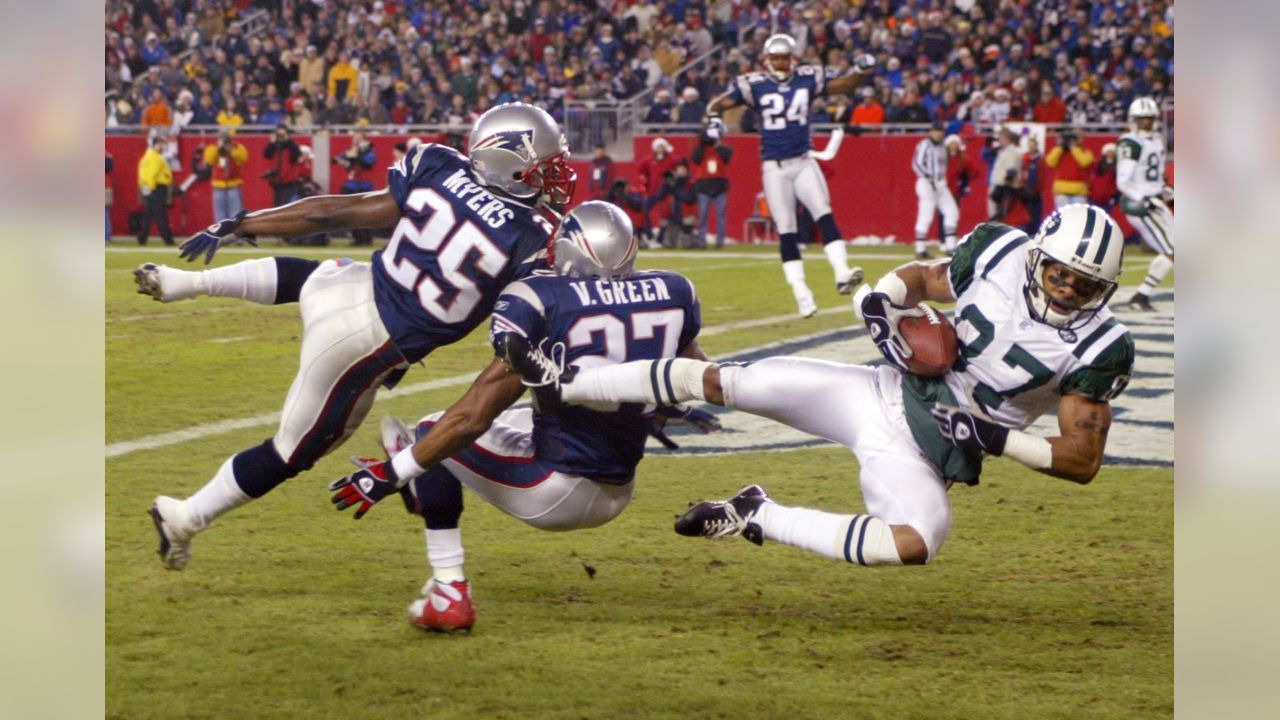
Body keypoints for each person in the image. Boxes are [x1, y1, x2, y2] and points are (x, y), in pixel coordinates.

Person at [521, 204, 1134, 570]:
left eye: (1085, 285)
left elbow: (1082, 459)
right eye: (1060, 273)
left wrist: (996, 440)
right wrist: (881, 303)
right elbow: (921, 277)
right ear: (1038, 255)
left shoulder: (1100, 346)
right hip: (876, 392)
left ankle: (756, 514)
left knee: (916, 542)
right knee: (725, 381)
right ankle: (567, 383)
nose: (1068, 291)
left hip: (926, 452)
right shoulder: (999, 250)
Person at [135, 104, 577, 572]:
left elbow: (336, 211)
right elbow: (520, 324)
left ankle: (188, 283)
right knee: (291, 452)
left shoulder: (438, 164)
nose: (555, 175)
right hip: (363, 345)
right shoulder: (535, 238)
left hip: (344, 285)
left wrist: (242, 223)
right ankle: (182, 517)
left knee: (311, 277)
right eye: (545, 167)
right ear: (510, 165)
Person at [326, 202, 716, 631]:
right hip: (619, 489)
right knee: (503, 422)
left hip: (554, 490)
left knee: (432, 432)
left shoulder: (541, 298)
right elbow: (690, 376)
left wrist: (390, 473)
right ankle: (424, 485)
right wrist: (658, 407)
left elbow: (472, 417)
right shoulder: (674, 291)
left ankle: (448, 591)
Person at [703, 34, 875, 317]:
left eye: (785, 57)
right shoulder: (753, 84)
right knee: (786, 228)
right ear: (767, 59)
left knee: (824, 213)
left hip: (804, 160)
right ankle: (801, 292)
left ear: (792, 57)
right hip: (774, 166)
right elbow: (717, 105)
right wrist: (713, 121)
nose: (781, 62)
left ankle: (842, 272)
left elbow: (843, 85)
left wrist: (858, 70)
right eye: (776, 57)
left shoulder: (807, 78)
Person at [1116, 96, 1173, 311]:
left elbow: (1155, 176)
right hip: (1140, 204)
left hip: (1155, 200)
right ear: (1134, 120)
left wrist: (1164, 190)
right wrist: (1144, 198)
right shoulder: (1130, 142)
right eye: (1142, 119)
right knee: (1174, 249)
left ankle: (1141, 296)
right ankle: (1141, 297)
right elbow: (1123, 181)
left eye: (1149, 118)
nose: (1146, 122)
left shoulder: (1157, 140)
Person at [911, 120, 958, 259]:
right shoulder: (924, 145)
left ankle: (950, 246)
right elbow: (917, 164)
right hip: (926, 183)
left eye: (940, 131)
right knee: (926, 214)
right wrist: (928, 177)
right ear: (931, 132)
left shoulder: (943, 146)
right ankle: (920, 249)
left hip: (940, 183)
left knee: (952, 211)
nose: (938, 134)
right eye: (936, 131)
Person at [690, 118, 733, 249]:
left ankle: (720, 241)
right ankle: (701, 241)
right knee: (702, 216)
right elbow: (696, 158)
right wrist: (703, 143)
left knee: (720, 216)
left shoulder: (724, 149)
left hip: (719, 185)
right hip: (704, 184)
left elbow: (726, 157)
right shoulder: (702, 150)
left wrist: (718, 143)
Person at [333, 131, 379, 245]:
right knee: (352, 214)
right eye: (354, 138)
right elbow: (336, 160)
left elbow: (367, 163)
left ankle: (366, 239)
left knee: (365, 214)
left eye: (359, 138)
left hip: (365, 185)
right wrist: (342, 160)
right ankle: (357, 238)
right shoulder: (351, 151)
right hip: (351, 185)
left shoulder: (369, 152)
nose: (356, 141)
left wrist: (356, 154)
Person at [136, 132, 174, 246]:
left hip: (150, 187)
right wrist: (151, 188)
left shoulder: (148, 155)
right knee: (161, 214)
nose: (163, 146)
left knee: (149, 214)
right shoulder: (155, 157)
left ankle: (142, 237)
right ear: (157, 144)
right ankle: (168, 239)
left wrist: (146, 188)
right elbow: (153, 173)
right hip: (156, 188)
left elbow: (143, 172)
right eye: (162, 144)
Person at [203, 129, 248, 222]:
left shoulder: (237, 147)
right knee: (219, 214)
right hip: (218, 186)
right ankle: (221, 234)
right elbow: (209, 160)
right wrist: (218, 149)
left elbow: (243, 158)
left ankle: (234, 233)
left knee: (235, 213)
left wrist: (231, 150)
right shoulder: (213, 148)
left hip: (234, 185)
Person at [1045, 130, 1095, 208]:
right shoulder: (1060, 151)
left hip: (1079, 192)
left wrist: (1074, 148)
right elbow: (1049, 162)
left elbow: (1085, 162)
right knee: (1064, 218)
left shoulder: (1085, 151)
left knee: (1079, 218)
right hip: (1062, 191)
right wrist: (1060, 147)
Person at [262, 124, 305, 207]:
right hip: (277, 183)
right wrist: (271, 143)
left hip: (290, 183)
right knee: (277, 208)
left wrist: (287, 140)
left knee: (288, 207)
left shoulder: (291, 145)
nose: (280, 137)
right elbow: (267, 155)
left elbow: (297, 154)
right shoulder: (275, 146)